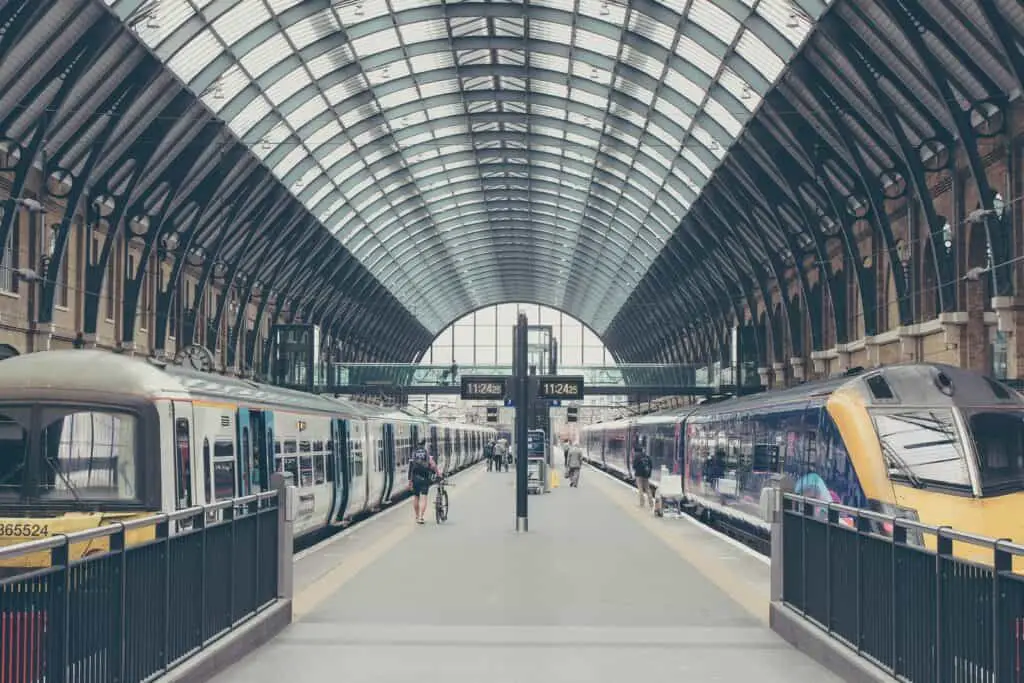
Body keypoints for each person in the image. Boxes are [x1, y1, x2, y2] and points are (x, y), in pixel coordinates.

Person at [408, 438, 441, 524]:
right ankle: (421, 517)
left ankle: (416, 516)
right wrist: (438, 474)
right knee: (424, 498)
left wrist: (410, 480)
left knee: (416, 498)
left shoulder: (414, 454)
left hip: (415, 478)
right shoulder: (427, 453)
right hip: (425, 478)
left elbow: (411, 467)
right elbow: (433, 465)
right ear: (424, 444)